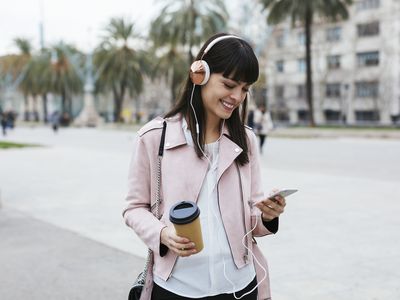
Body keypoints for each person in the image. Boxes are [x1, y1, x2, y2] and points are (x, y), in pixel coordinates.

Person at [123, 33, 286, 300]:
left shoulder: (246, 141)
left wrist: (268, 215)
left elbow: (251, 222)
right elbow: (133, 208)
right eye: (230, 84)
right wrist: (162, 234)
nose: (237, 97)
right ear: (199, 75)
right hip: (178, 288)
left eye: (245, 89)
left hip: (240, 287)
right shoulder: (154, 138)